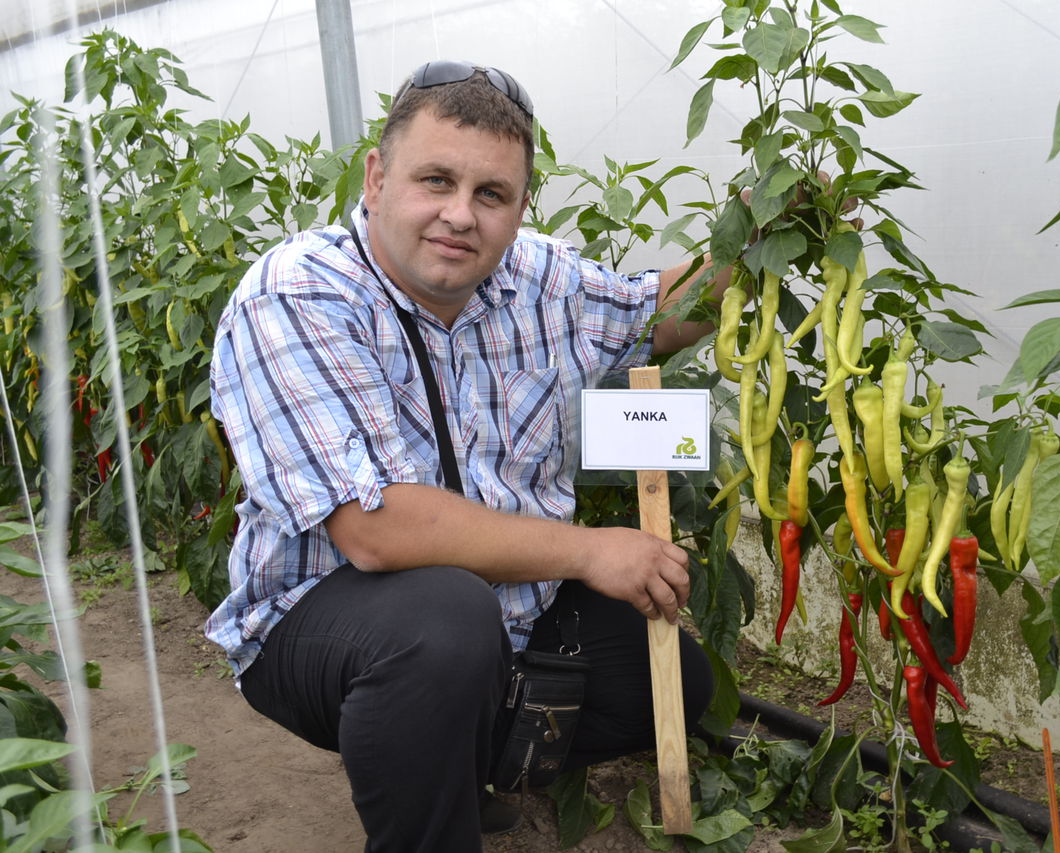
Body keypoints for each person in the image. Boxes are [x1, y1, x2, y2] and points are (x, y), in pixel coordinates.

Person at [203, 60, 729, 852]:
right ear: (377, 178)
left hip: (507, 615)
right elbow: (374, 529)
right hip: (322, 617)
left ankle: (452, 762)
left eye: (492, 195)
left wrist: (756, 237)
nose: (460, 215)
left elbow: (654, 314)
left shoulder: (535, 277)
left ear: (520, 208)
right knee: (444, 626)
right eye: (435, 181)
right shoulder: (299, 293)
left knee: (667, 679)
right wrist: (591, 549)